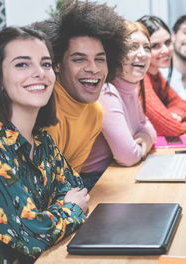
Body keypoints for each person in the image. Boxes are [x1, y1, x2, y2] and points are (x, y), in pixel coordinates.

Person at [0, 26, 88, 264]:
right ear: (0, 79)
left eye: (45, 64)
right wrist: (68, 209)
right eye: (22, 64)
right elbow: (34, 234)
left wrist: (50, 216)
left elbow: (77, 189)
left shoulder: (41, 140)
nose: (39, 73)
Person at [46, 0, 127, 190]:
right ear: (57, 64)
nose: (93, 68)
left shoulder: (95, 112)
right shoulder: (43, 108)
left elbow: (69, 182)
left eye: (100, 59)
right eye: (79, 59)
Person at [82, 21, 157, 182]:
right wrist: (141, 144)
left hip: (115, 173)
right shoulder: (106, 91)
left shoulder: (130, 88)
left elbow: (148, 127)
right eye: (133, 47)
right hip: (95, 181)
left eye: (147, 47)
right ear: (115, 55)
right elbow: (128, 156)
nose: (142, 54)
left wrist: (145, 138)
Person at [138, 15, 186, 136]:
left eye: (167, 43)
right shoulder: (140, 79)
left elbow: (184, 106)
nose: (166, 51)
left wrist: (173, 114)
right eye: (155, 46)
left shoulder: (155, 74)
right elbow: (172, 129)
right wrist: (178, 120)